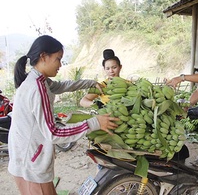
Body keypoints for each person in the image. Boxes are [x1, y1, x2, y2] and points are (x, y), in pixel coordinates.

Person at [8, 35, 119, 195]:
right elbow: (53, 133)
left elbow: (62, 86)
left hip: (24, 157)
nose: (60, 64)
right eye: (58, 59)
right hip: (31, 163)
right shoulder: (38, 89)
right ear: (43, 56)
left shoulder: (38, 80)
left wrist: (89, 83)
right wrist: (95, 123)